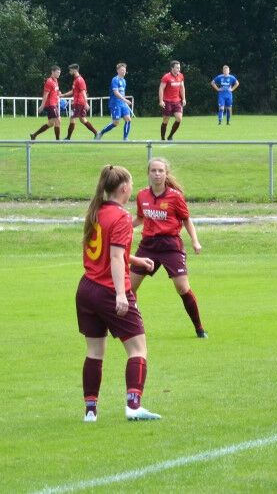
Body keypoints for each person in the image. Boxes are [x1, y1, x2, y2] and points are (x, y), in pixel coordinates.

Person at [76, 164, 161, 422]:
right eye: (131, 185)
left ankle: (90, 411)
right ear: (124, 188)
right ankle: (133, 406)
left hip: (86, 289)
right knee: (138, 349)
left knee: (94, 352)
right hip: (109, 289)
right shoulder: (122, 216)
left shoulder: (96, 211)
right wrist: (121, 295)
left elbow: (109, 252)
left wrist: (135, 260)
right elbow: (114, 257)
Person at [130, 157, 207, 339]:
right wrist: (123, 226)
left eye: (160, 171)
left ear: (166, 174)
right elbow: (140, 218)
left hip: (170, 245)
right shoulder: (142, 195)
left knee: (182, 288)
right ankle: (133, 327)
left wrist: (195, 241)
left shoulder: (175, 196)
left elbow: (186, 219)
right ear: (148, 173)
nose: (157, 174)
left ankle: (199, 328)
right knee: (129, 288)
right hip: (148, 246)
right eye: (153, 170)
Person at [60, 64, 99, 140]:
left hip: (78, 103)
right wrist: (63, 95)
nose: (70, 72)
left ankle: (68, 138)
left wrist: (86, 103)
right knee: (83, 120)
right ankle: (96, 133)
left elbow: (83, 92)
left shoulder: (79, 80)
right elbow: (73, 91)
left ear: (75, 70)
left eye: (70, 70)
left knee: (72, 118)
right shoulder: (76, 80)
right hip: (79, 103)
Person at [95, 63, 132, 141]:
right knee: (116, 123)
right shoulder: (115, 79)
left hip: (122, 103)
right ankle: (101, 133)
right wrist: (125, 100)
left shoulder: (124, 81)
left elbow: (122, 93)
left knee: (128, 120)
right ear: (118, 71)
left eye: (124, 70)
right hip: (115, 103)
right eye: (122, 70)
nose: (124, 71)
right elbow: (116, 92)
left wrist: (124, 101)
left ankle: (125, 138)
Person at [29, 65, 62, 141]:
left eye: (59, 73)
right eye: (57, 72)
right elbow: (45, 94)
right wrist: (42, 106)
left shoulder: (55, 81)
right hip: (51, 104)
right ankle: (58, 140)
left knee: (51, 123)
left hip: (54, 104)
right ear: (52, 72)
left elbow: (55, 91)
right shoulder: (49, 81)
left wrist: (58, 96)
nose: (59, 74)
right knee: (58, 120)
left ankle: (34, 135)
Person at [159, 60, 186, 140]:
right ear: (172, 68)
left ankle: (170, 136)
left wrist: (184, 99)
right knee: (166, 120)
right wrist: (161, 100)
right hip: (167, 102)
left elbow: (182, 88)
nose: (178, 69)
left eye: (179, 68)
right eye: (177, 68)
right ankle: (163, 138)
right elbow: (161, 88)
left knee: (179, 118)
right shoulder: (166, 77)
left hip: (177, 101)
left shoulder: (181, 76)